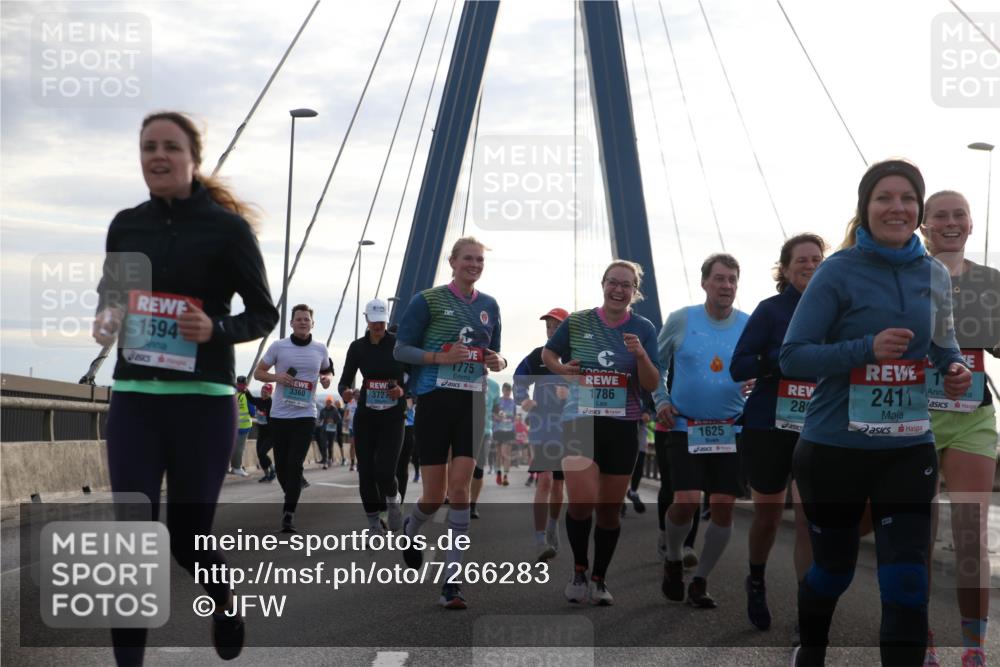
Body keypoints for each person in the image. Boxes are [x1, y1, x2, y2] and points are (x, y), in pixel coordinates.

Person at [92, 110, 278, 664]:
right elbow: (115, 294)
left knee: (189, 537)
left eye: (170, 147)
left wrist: (216, 329)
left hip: (203, 404)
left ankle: (223, 601)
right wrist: (106, 319)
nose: (158, 156)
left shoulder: (227, 229)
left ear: (193, 158)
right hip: (136, 401)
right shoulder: (127, 224)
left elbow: (263, 312)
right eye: (149, 146)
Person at [781, 159, 972, 667]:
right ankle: (812, 648)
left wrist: (952, 366)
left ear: (919, 211)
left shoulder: (933, 272)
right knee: (835, 571)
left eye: (908, 198)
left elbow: (943, 343)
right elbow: (793, 354)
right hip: (833, 449)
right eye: (884, 197)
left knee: (907, 580)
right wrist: (866, 348)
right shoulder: (836, 272)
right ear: (865, 208)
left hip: (907, 448)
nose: (897, 207)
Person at [394, 236, 506, 609]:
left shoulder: (490, 305)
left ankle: (452, 580)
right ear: (453, 262)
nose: (474, 265)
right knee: (434, 494)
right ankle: (411, 529)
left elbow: (498, 355)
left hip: (472, 401)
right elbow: (401, 349)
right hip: (434, 400)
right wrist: (438, 358)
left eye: (479, 260)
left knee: (459, 490)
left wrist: (498, 363)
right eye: (468, 259)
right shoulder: (427, 300)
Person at [543, 260, 660, 606]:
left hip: (623, 426)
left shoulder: (644, 328)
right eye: (613, 282)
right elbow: (549, 353)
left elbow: (652, 383)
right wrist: (563, 370)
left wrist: (640, 355)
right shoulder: (578, 321)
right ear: (603, 284)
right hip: (580, 419)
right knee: (581, 501)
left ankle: (599, 578)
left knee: (608, 511)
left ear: (634, 292)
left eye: (626, 285)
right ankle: (579, 570)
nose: (618, 289)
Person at [730, 233, 825, 635]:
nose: (809, 265)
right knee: (768, 516)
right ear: (784, 269)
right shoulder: (769, 311)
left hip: (818, 426)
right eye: (800, 260)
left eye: (816, 259)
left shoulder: (835, 309)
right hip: (769, 424)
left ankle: (808, 611)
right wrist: (780, 358)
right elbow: (738, 367)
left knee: (807, 520)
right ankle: (755, 578)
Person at [920, 190, 999, 667]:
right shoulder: (904, 276)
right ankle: (923, 638)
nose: (950, 222)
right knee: (918, 533)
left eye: (959, 215)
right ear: (924, 226)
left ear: (970, 225)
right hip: (910, 415)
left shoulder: (991, 282)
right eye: (940, 215)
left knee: (971, 534)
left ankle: (974, 648)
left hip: (972, 416)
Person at [656, 253, 750, 610]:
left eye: (732, 280)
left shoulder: (748, 323)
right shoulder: (682, 320)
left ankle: (700, 580)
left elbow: (760, 366)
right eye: (720, 279)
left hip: (731, 430)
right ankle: (674, 555)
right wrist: (661, 400)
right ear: (704, 283)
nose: (726, 286)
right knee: (686, 501)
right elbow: (655, 362)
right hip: (684, 425)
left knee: (723, 507)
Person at [254, 304, 334, 533]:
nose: (302, 322)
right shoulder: (279, 346)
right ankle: (291, 490)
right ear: (291, 323)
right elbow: (259, 373)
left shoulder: (320, 349)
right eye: (298, 319)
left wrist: (326, 379)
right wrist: (276, 376)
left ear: (312, 323)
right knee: (281, 467)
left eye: (306, 319)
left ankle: (289, 513)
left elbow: (326, 370)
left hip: (305, 414)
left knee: (294, 463)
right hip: (279, 415)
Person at [340, 298, 407, 533]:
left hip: (393, 416)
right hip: (367, 415)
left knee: (385, 471)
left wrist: (402, 391)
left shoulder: (399, 344)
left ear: (386, 320)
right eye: (373, 321)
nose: (378, 326)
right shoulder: (357, 347)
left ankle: (392, 500)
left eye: (381, 321)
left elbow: (415, 377)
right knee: (366, 471)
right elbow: (345, 379)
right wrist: (346, 392)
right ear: (366, 319)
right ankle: (373, 524)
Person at [514, 307, 570, 562]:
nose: (551, 330)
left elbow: (595, 385)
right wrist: (523, 398)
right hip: (543, 425)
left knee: (559, 484)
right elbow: (519, 378)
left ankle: (552, 526)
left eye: (556, 326)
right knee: (545, 480)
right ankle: (539, 540)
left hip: (568, 427)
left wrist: (571, 394)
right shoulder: (538, 355)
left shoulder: (576, 356)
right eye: (548, 326)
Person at [470, 377, 501, 519]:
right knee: (459, 466)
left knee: (479, 469)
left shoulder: (494, 386)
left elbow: (496, 408)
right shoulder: (465, 379)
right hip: (462, 429)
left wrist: (499, 414)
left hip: (485, 431)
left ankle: (472, 505)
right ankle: (455, 498)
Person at [229, 375, 255, 476]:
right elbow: (252, 412)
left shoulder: (231, 393)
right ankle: (237, 467)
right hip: (243, 426)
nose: (242, 386)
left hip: (232, 425)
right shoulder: (247, 395)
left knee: (231, 447)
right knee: (239, 448)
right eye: (242, 384)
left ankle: (230, 467)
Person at [493, 383, 516, 486]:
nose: (507, 393)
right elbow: (491, 413)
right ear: (503, 390)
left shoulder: (513, 403)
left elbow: (515, 416)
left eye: (509, 391)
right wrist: (496, 417)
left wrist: (511, 420)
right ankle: (498, 474)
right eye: (506, 391)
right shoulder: (498, 401)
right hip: (498, 430)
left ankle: (505, 477)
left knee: (506, 454)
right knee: (498, 455)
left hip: (509, 431)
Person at [253, 384, 276, 482]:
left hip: (271, 434)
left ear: (270, 393)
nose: (263, 393)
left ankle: (273, 469)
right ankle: (267, 475)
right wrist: (244, 390)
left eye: (266, 392)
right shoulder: (259, 401)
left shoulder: (272, 403)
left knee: (262, 452)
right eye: (262, 391)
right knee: (259, 454)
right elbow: (250, 398)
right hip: (261, 432)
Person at [318, 396, 342, 468]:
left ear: (331, 402)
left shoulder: (335, 410)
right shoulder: (323, 410)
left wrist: (333, 421)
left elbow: (339, 420)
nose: (328, 403)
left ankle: (330, 459)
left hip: (332, 430)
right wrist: (319, 422)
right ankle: (325, 461)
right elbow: (320, 419)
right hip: (324, 429)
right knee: (324, 445)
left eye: (330, 402)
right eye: (327, 402)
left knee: (330, 445)